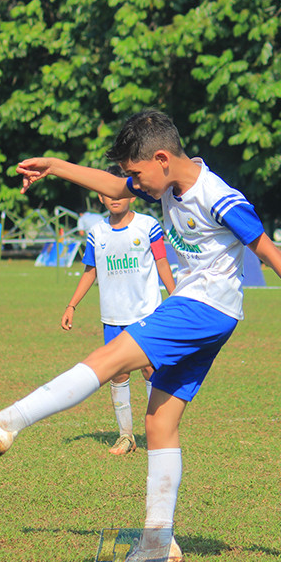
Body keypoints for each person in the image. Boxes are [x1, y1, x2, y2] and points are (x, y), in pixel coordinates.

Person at [0, 109, 281, 562]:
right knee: (159, 422)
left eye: (135, 173)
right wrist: (57, 166)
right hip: (212, 313)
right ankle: (156, 546)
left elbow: (266, 250)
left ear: (163, 159)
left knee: (107, 360)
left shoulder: (220, 197)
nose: (130, 184)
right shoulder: (165, 183)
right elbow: (108, 186)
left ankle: (5, 423)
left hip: (202, 309)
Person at [62, 167, 176, 455]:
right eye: (107, 191)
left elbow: (163, 264)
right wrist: (72, 304)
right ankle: (126, 436)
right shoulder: (96, 233)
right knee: (118, 375)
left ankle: (156, 431)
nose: (114, 197)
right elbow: (91, 271)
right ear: (100, 196)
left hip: (147, 313)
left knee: (151, 371)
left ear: (132, 195)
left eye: (120, 191)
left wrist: (176, 298)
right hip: (113, 317)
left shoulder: (148, 226)